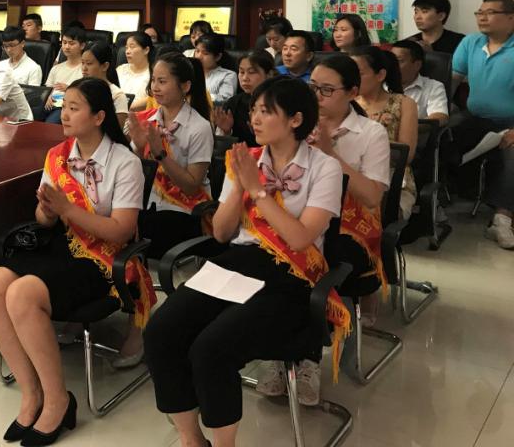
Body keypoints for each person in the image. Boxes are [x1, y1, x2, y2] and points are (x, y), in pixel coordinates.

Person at [145, 78, 347, 446]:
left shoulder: (325, 168)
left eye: (266, 111)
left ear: (296, 119)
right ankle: (191, 439)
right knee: (160, 331)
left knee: (211, 348)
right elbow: (222, 233)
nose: (254, 118)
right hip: (239, 262)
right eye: (253, 110)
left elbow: (300, 238)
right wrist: (239, 186)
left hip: (291, 275)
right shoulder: (246, 159)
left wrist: (257, 189)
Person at [0, 77, 152, 446]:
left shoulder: (125, 163)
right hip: (64, 245)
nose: (64, 114)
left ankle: (58, 399)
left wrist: (67, 209)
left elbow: (121, 231)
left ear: (99, 117)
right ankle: (32, 393)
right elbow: (45, 220)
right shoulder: (58, 155)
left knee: (22, 294)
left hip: (102, 259)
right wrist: (47, 211)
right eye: (64, 106)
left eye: (74, 108)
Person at [122, 53, 214, 367]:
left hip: (185, 212)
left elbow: (191, 185)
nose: (155, 87)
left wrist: (161, 154)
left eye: (163, 81)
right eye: (154, 81)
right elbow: (135, 172)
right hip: (147, 204)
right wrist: (137, 147)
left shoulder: (198, 127)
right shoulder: (147, 118)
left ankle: (138, 325)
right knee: (117, 228)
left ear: (185, 86)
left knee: (132, 239)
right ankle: (129, 310)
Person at [305, 54, 391, 342]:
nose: (316, 96)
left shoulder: (372, 133)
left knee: (322, 256)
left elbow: (372, 196)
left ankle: (315, 340)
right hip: (306, 216)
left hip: (351, 226)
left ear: (353, 92)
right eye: (312, 87)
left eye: (327, 90)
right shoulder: (298, 122)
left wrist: (329, 153)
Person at [449, 0, 514, 248]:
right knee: (440, 137)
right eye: (480, 12)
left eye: (490, 12)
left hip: (509, 122)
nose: (482, 17)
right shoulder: (471, 42)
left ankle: (502, 219)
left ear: (511, 18)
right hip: (474, 118)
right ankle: (435, 201)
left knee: (512, 152)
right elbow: (452, 82)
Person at [352, 46, 419, 218]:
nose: (351, 79)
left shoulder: (404, 103)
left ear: (380, 75)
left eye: (358, 73)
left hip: (393, 179)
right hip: (352, 175)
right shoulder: (348, 103)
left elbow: (406, 154)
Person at [213, 50, 277, 147]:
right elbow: (221, 147)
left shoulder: (278, 103)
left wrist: (262, 134)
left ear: (269, 74)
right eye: (241, 72)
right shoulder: (234, 102)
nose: (245, 78)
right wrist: (226, 131)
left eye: (251, 72)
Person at [391, 40, 449, 123]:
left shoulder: (433, 87)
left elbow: (440, 116)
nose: (392, 65)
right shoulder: (380, 84)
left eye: (399, 61)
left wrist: (408, 127)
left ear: (417, 65)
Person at [44, 26, 87, 123]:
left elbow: (87, 95)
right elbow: (48, 89)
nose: (67, 47)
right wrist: (47, 97)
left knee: (50, 122)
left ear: (82, 45)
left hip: (68, 106)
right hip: (50, 104)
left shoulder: (86, 69)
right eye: (64, 43)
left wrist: (69, 89)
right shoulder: (56, 68)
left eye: (71, 43)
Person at [80, 43, 128, 128]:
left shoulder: (117, 95)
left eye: (89, 63)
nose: (84, 68)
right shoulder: (79, 89)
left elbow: (117, 130)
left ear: (105, 66)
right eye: (82, 63)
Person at [195, 34, 236, 106]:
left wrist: (196, 96)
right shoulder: (191, 71)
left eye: (205, 53)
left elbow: (225, 100)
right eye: (197, 51)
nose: (199, 56)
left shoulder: (228, 75)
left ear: (218, 57)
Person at [116, 31, 154, 105]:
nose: (127, 51)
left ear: (146, 50)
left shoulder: (154, 73)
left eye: (132, 47)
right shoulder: (120, 69)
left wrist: (128, 107)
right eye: (126, 48)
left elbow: (153, 98)